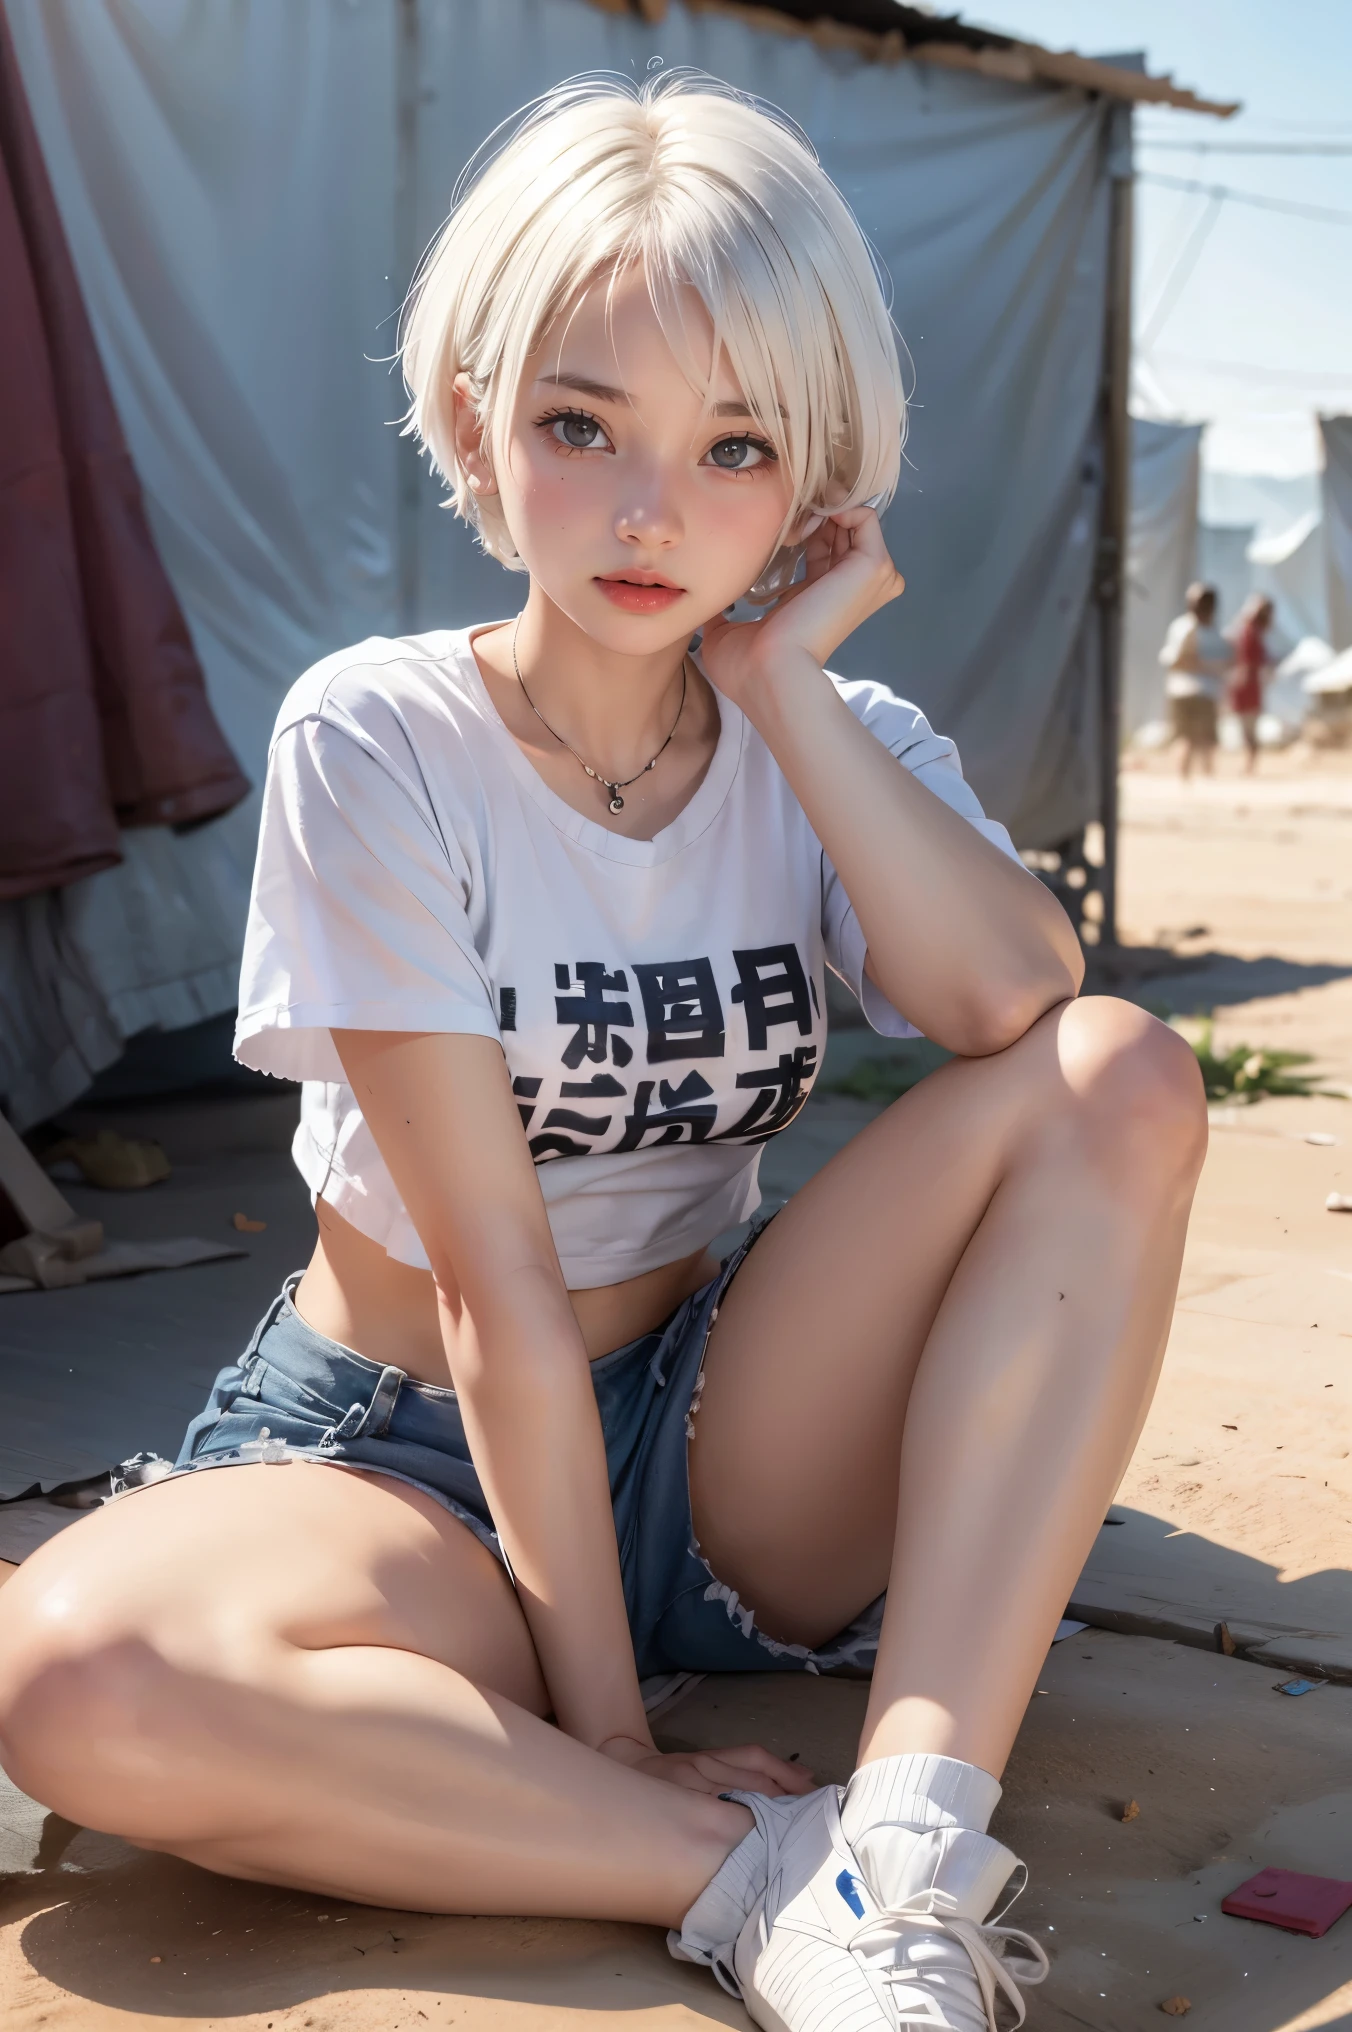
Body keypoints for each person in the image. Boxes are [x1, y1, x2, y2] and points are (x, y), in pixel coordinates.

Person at [0, 74, 1206, 2032]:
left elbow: (1019, 1010)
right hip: (405, 1462)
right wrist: (615, 1739)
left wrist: (777, 686)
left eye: (732, 449)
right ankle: (756, 1879)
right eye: (585, 426)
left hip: (724, 1431)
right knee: (69, 1671)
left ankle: (903, 1849)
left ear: (813, 482)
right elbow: (490, 1293)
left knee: (1120, 1070)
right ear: (481, 419)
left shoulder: (838, 734)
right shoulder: (379, 739)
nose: (655, 513)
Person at [1159, 582, 1230, 780]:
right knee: (1187, 738)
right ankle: (1184, 781)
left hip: (1207, 691)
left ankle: (1207, 780)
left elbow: (1227, 661)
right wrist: (1205, 667)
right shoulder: (1185, 629)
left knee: (1207, 740)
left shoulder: (1215, 632)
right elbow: (1175, 661)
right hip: (1186, 690)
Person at [1229, 594, 1275, 773]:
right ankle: (1249, 763)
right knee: (1246, 725)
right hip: (1247, 684)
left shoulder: (1252, 632)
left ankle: (1250, 764)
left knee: (1248, 726)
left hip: (1248, 684)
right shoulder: (1249, 631)